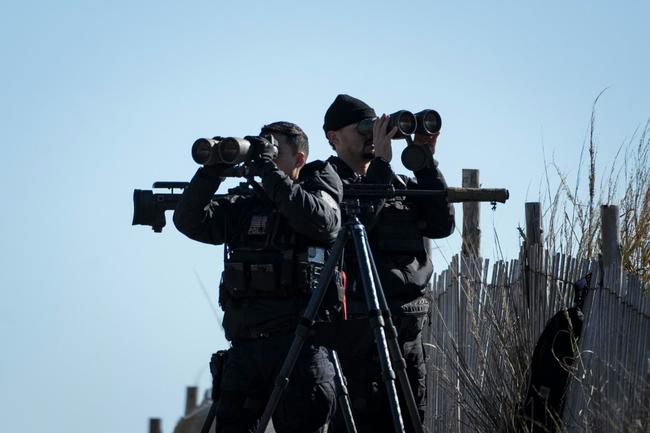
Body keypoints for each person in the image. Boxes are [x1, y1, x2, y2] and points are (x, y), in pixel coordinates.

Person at [173, 121, 343, 433]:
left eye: (275, 149)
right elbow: (188, 221)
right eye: (263, 148)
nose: (265, 156)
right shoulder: (246, 206)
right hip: (245, 349)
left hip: (299, 350)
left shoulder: (318, 190)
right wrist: (212, 171)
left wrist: (267, 169)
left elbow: (323, 223)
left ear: (299, 159)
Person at [322, 94, 455, 432]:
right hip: (358, 335)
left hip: (407, 332)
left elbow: (441, 224)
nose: (371, 136)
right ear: (333, 137)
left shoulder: (397, 184)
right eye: (363, 129)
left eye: (376, 129)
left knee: (410, 423)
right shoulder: (326, 183)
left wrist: (425, 160)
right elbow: (356, 225)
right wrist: (381, 161)